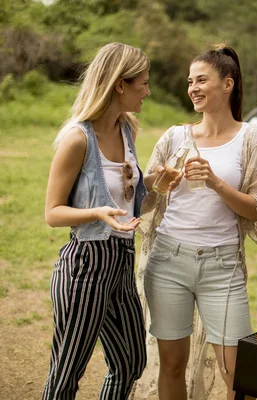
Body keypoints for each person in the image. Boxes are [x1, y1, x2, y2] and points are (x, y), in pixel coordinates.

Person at [135, 44, 257, 400]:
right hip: (168, 260)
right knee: (171, 365)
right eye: (190, 81)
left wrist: (216, 182)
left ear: (227, 84)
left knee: (237, 372)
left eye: (202, 80)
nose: (193, 88)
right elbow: (144, 191)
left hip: (222, 266)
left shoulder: (251, 139)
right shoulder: (175, 136)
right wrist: (161, 181)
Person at [43, 42, 150, 399]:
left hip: (121, 263)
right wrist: (96, 213)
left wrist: (159, 185)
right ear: (120, 85)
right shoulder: (77, 139)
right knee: (66, 375)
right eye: (143, 84)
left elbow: (133, 203)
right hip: (85, 266)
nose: (147, 92)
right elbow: (53, 213)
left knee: (131, 362)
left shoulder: (128, 130)